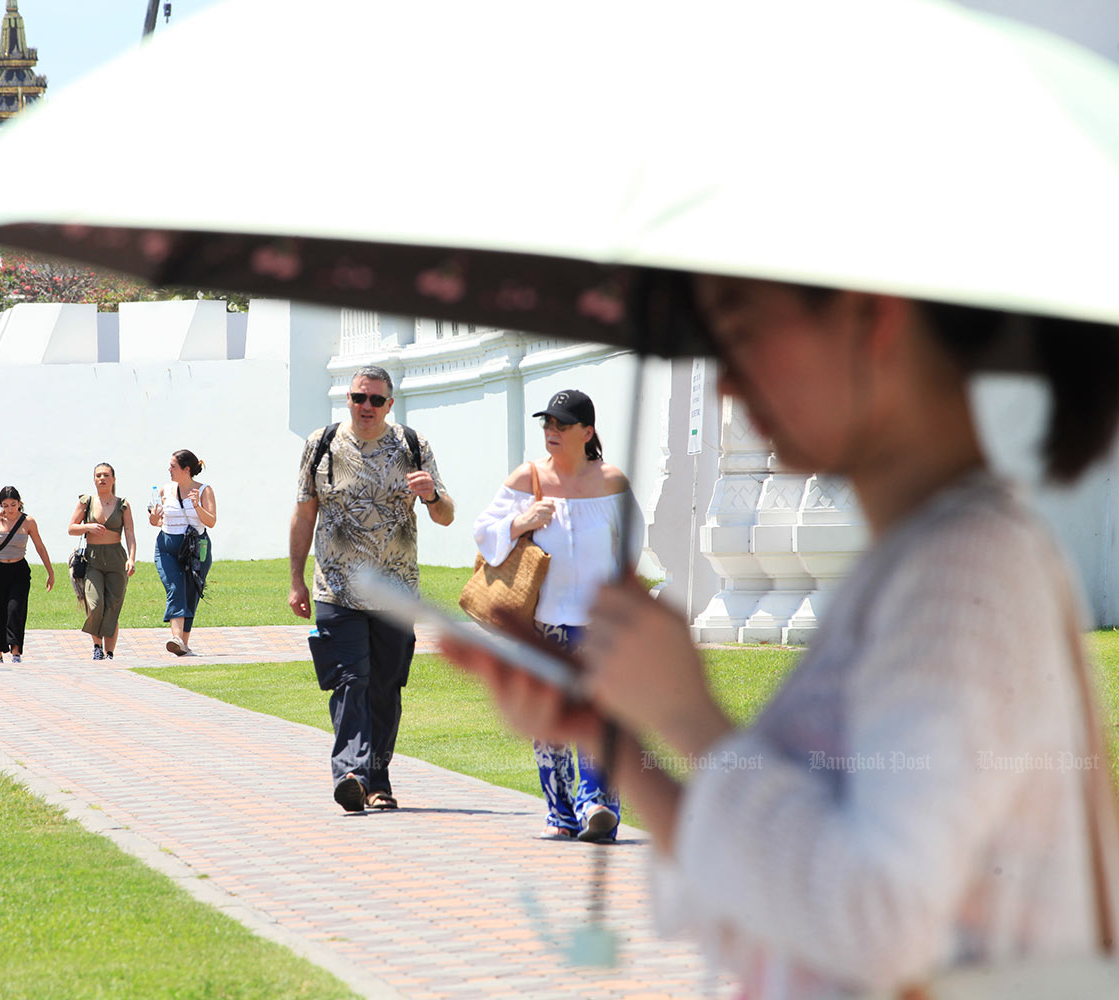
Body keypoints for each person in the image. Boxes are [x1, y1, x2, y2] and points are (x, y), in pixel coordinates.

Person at [445, 282, 1119, 997]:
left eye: (743, 326)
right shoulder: (927, 561)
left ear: (871, 314)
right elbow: (785, 890)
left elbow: (876, 923)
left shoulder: (960, 575)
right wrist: (611, 740)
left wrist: (687, 714)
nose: (728, 378)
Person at [472, 389, 641, 842]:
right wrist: (522, 521)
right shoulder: (527, 478)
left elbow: (631, 548)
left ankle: (597, 805)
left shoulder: (612, 482)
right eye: (547, 422)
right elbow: (483, 531)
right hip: (542, 624)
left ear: (587, 432)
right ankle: (561, 813)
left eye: (562, 424)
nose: (552, 431)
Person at [289, 365, 456, 812]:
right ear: (348, 399)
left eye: (376, 400)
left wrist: (432, 496)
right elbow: (305, 515)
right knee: (349, 681)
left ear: (390, 404)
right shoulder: (321, 445)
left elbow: (446, 516)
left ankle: (376, 780)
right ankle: (350, 774)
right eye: (360, 398)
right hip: (336, 588)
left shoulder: (413, 447)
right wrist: (295, 581)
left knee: (385, 686)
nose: (367, 407)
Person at [0, 486, 54, 663]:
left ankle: (16, 652)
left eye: (13, 504)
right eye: (5, 505)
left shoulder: (28, 522)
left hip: (19, 571)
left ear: (20, 503)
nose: (10, 509)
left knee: (16, 609)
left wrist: (50, 571)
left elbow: (40, 547)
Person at [148, 449, 217, 656]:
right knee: (175, 588)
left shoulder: (204, 491)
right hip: (167, 548)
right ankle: (176, 638)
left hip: (196, 550)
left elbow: (211, 521)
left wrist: (196, 506)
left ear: (186, 469)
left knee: (190, 593)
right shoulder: (164, 490)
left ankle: (183, 644)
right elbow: (157, 521)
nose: (168, 469)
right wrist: (154, 519)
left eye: (173, 466)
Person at [69, 463, 137, 661]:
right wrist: (88, 527)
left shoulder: (122, 504)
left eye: (106, 475)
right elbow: (71, 528)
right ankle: (96, 646)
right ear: (94, 479)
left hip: (116, 558)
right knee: (96, 604)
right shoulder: (86, 502)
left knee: (113, 606)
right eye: (98, 475)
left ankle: (109, 652)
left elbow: (130, 532)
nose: (102, 479)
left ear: (113, 479)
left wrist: (131, 558)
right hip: (93, 558)